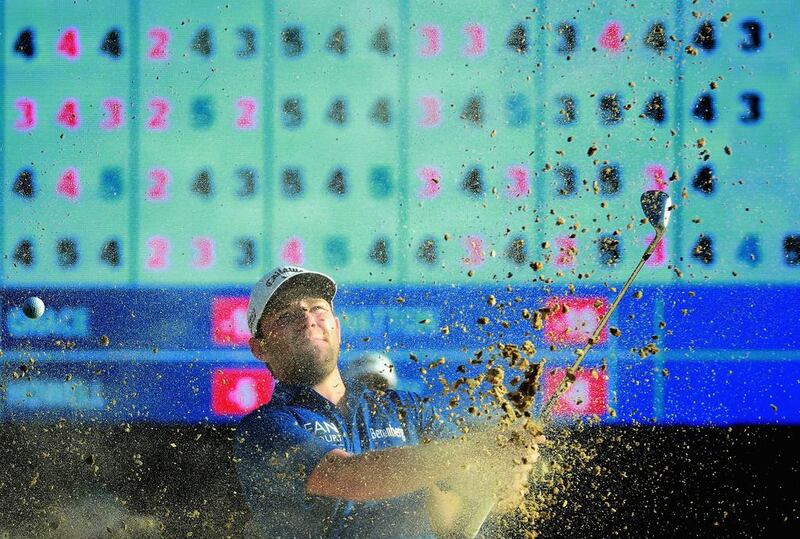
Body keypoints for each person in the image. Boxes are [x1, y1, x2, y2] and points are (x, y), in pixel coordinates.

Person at [234, 266, 542, 538]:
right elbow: (351, 477)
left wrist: (500, 469)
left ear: (337, 328)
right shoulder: (265, 428)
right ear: (259, 348)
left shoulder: (407, 409)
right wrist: (476, 448)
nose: (307, 319)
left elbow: (452, 524)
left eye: (318, 308)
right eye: (286, 316)